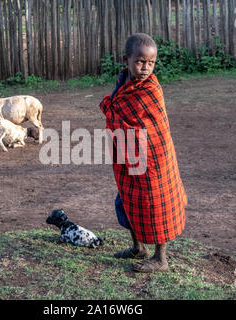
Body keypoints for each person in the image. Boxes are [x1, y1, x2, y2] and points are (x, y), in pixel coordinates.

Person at [99, 33, 188, 273]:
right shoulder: (123, 82)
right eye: (140, 62)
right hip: (127, 155)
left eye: (151, 62)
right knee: (126, 199)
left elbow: (152, 126)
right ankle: (138, 248)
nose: (146, 67)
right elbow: (119, 109)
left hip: (154, 160)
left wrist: (115, 117)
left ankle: (161, 258)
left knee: (156, 203)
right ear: (126, 60)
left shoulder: (150, 89)